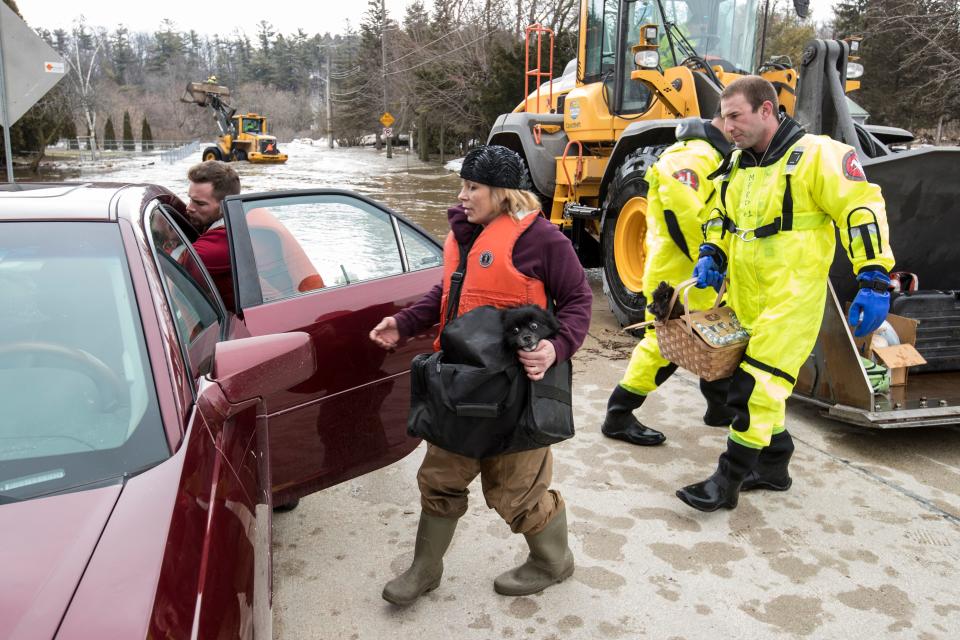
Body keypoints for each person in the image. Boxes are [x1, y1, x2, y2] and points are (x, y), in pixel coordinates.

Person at [369, 145, 592, 605]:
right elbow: (448, 291)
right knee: (440, 478)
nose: (462, 195)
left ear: (503, 193)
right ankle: (424, 569)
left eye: (473, 187)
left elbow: (578, 302)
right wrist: (405, 322)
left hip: (517, 392)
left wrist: (554, 347)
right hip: (459, 384)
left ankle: (553, 561)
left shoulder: (544, 240)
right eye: (463, 185)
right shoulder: (464, 236)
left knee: (518, 495)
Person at [676, 76, 895, 512]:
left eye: (735, 115)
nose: (727, 126)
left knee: (754, 388)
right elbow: (719, 213)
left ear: (766, 110)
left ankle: (727, 480)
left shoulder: (819, 155)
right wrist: (711, 254)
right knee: (759, 388)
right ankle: (775, 464)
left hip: (793, 299)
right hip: (747, 299)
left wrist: (873, 276)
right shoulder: (738, 165)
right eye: (723, 117)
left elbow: (860, 208)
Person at [601, 115, 735, 447]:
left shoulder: (710, 157)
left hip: (693, 272)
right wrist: (709, 257)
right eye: (732, 121)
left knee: (717, 338)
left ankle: (720, 407)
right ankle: (618, 414)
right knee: (663, 347)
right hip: (680, 274)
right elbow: (684, 216)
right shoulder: (690, 158)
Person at [185, 160, 241, 311]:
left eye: (200, 204)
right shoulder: (235, 223)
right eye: (190, 199)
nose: (189, 208)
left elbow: (159, 268)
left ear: (224, 207)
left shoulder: (218, 245)